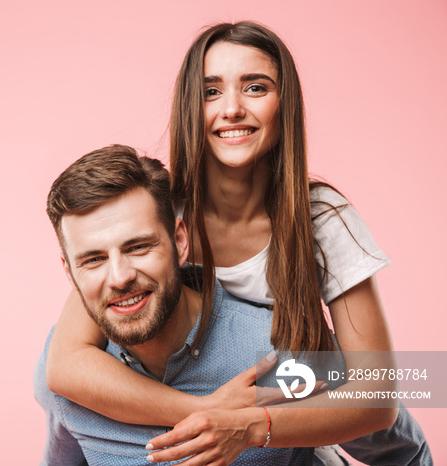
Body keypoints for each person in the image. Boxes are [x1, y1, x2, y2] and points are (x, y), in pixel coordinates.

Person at [45, 22, 431, 465]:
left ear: (284, 105)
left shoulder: (320, 217)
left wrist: (253, 423)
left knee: (407, 392)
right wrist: (210, 411)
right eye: (211, 91)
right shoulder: (162, 211)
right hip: (219, 383)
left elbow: (378, 394)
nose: (231, 109)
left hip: (300, 385)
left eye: (255, 87)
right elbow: (64, 364)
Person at [36, 145, 326, 464]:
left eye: (138, 247)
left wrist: (262, 426)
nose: (119, 278)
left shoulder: (279, 346)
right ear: (70, 272)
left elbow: (382, 417)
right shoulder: (62, 371)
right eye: (93, 259)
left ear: (179, 242)